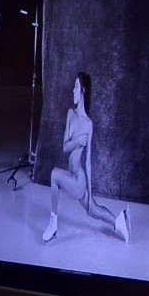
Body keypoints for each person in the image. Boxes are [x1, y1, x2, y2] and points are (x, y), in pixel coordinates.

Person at [41, 72, 130, 243]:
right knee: (94, 211)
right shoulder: (70, 114)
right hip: (73, 176)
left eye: (76, 87)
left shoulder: (88, 124)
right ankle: (120, 222)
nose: (72, 91)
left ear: (83, 90)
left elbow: (87, 162)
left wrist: (91, 193)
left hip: (78, 179)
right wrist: (77, 141)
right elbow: (64, 148)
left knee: (54, 175)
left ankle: (53, 225)